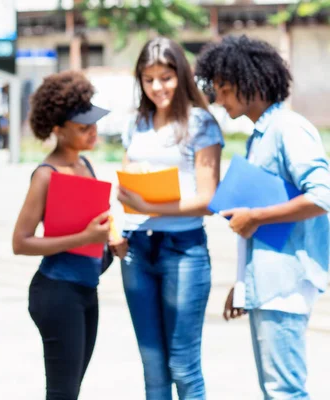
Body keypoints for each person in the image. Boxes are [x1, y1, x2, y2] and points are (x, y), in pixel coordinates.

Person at [196, 35, 330, 399]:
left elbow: (323, 194)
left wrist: (254, 216)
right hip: (267, 283)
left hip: (286, 284)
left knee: (284, 391)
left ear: (251, 83)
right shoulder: (261, 136)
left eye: (224, 90)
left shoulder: (288, 129)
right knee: (276, 390)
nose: (218, 101)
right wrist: (242, 285)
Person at [111, 37, 224, 400]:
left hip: (183, 251)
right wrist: (125, 208)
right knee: (153, 370)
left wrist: (150, 206)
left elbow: (209, 200)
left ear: (182, 75)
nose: (158, 87)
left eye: (166, 77)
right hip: (136, 251)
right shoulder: (137, 123)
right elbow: (127, 187)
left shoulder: (201, 123)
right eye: (149, 79)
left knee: (183, 367)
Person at [11, 70, 113, 400]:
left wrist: (112, 242)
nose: (93, 131)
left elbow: (92, 234)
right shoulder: (45, 175)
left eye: (94, 123)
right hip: (56, 293)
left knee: (71, 391)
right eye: (84, 127)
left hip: (87, 291)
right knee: (62, 394)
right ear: (58, 129)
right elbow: (21, 241)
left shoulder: (85, 165)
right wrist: (84, 238)